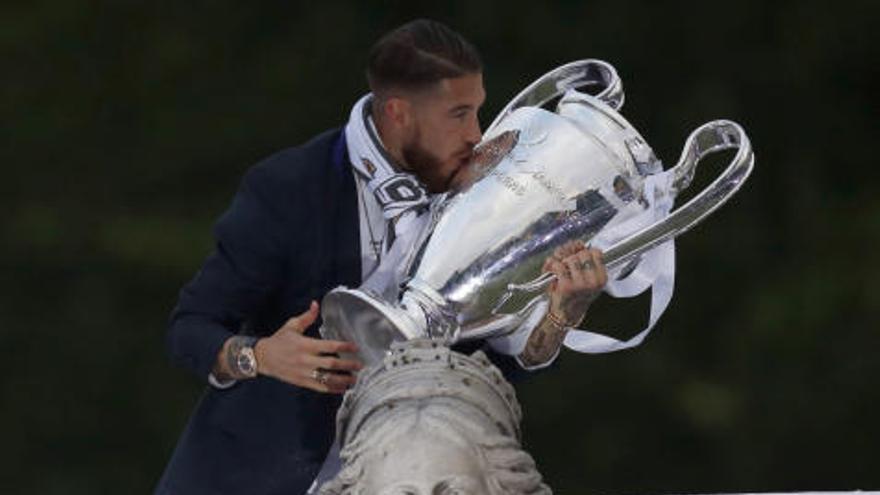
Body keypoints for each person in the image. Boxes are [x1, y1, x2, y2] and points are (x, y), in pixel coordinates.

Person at [155, 19, 607, 495]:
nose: (477, 134)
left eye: (478, 111)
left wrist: (561, 314)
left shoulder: (486, 189)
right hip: (252, 479)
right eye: (459, 114)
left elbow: (493, 365)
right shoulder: (288, 189)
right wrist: (260, 355)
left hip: (416, 473)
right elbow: (189, 327)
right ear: (398, 114)